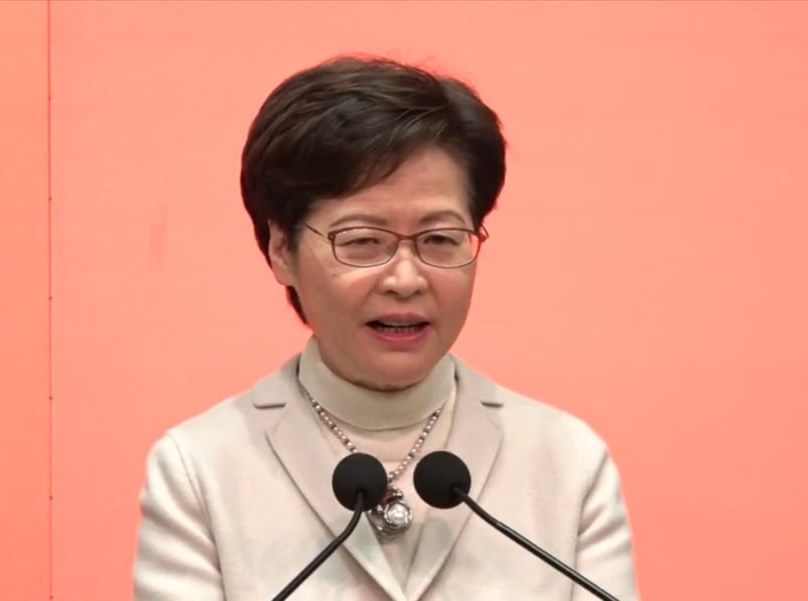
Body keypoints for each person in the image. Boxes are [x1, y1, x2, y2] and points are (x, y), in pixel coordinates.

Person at [133, 54, 640, 601]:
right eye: (362, 241)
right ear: (282, 250)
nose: (406, 279)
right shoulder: (201, 470)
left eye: (440, 239)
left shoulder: (566, 462)